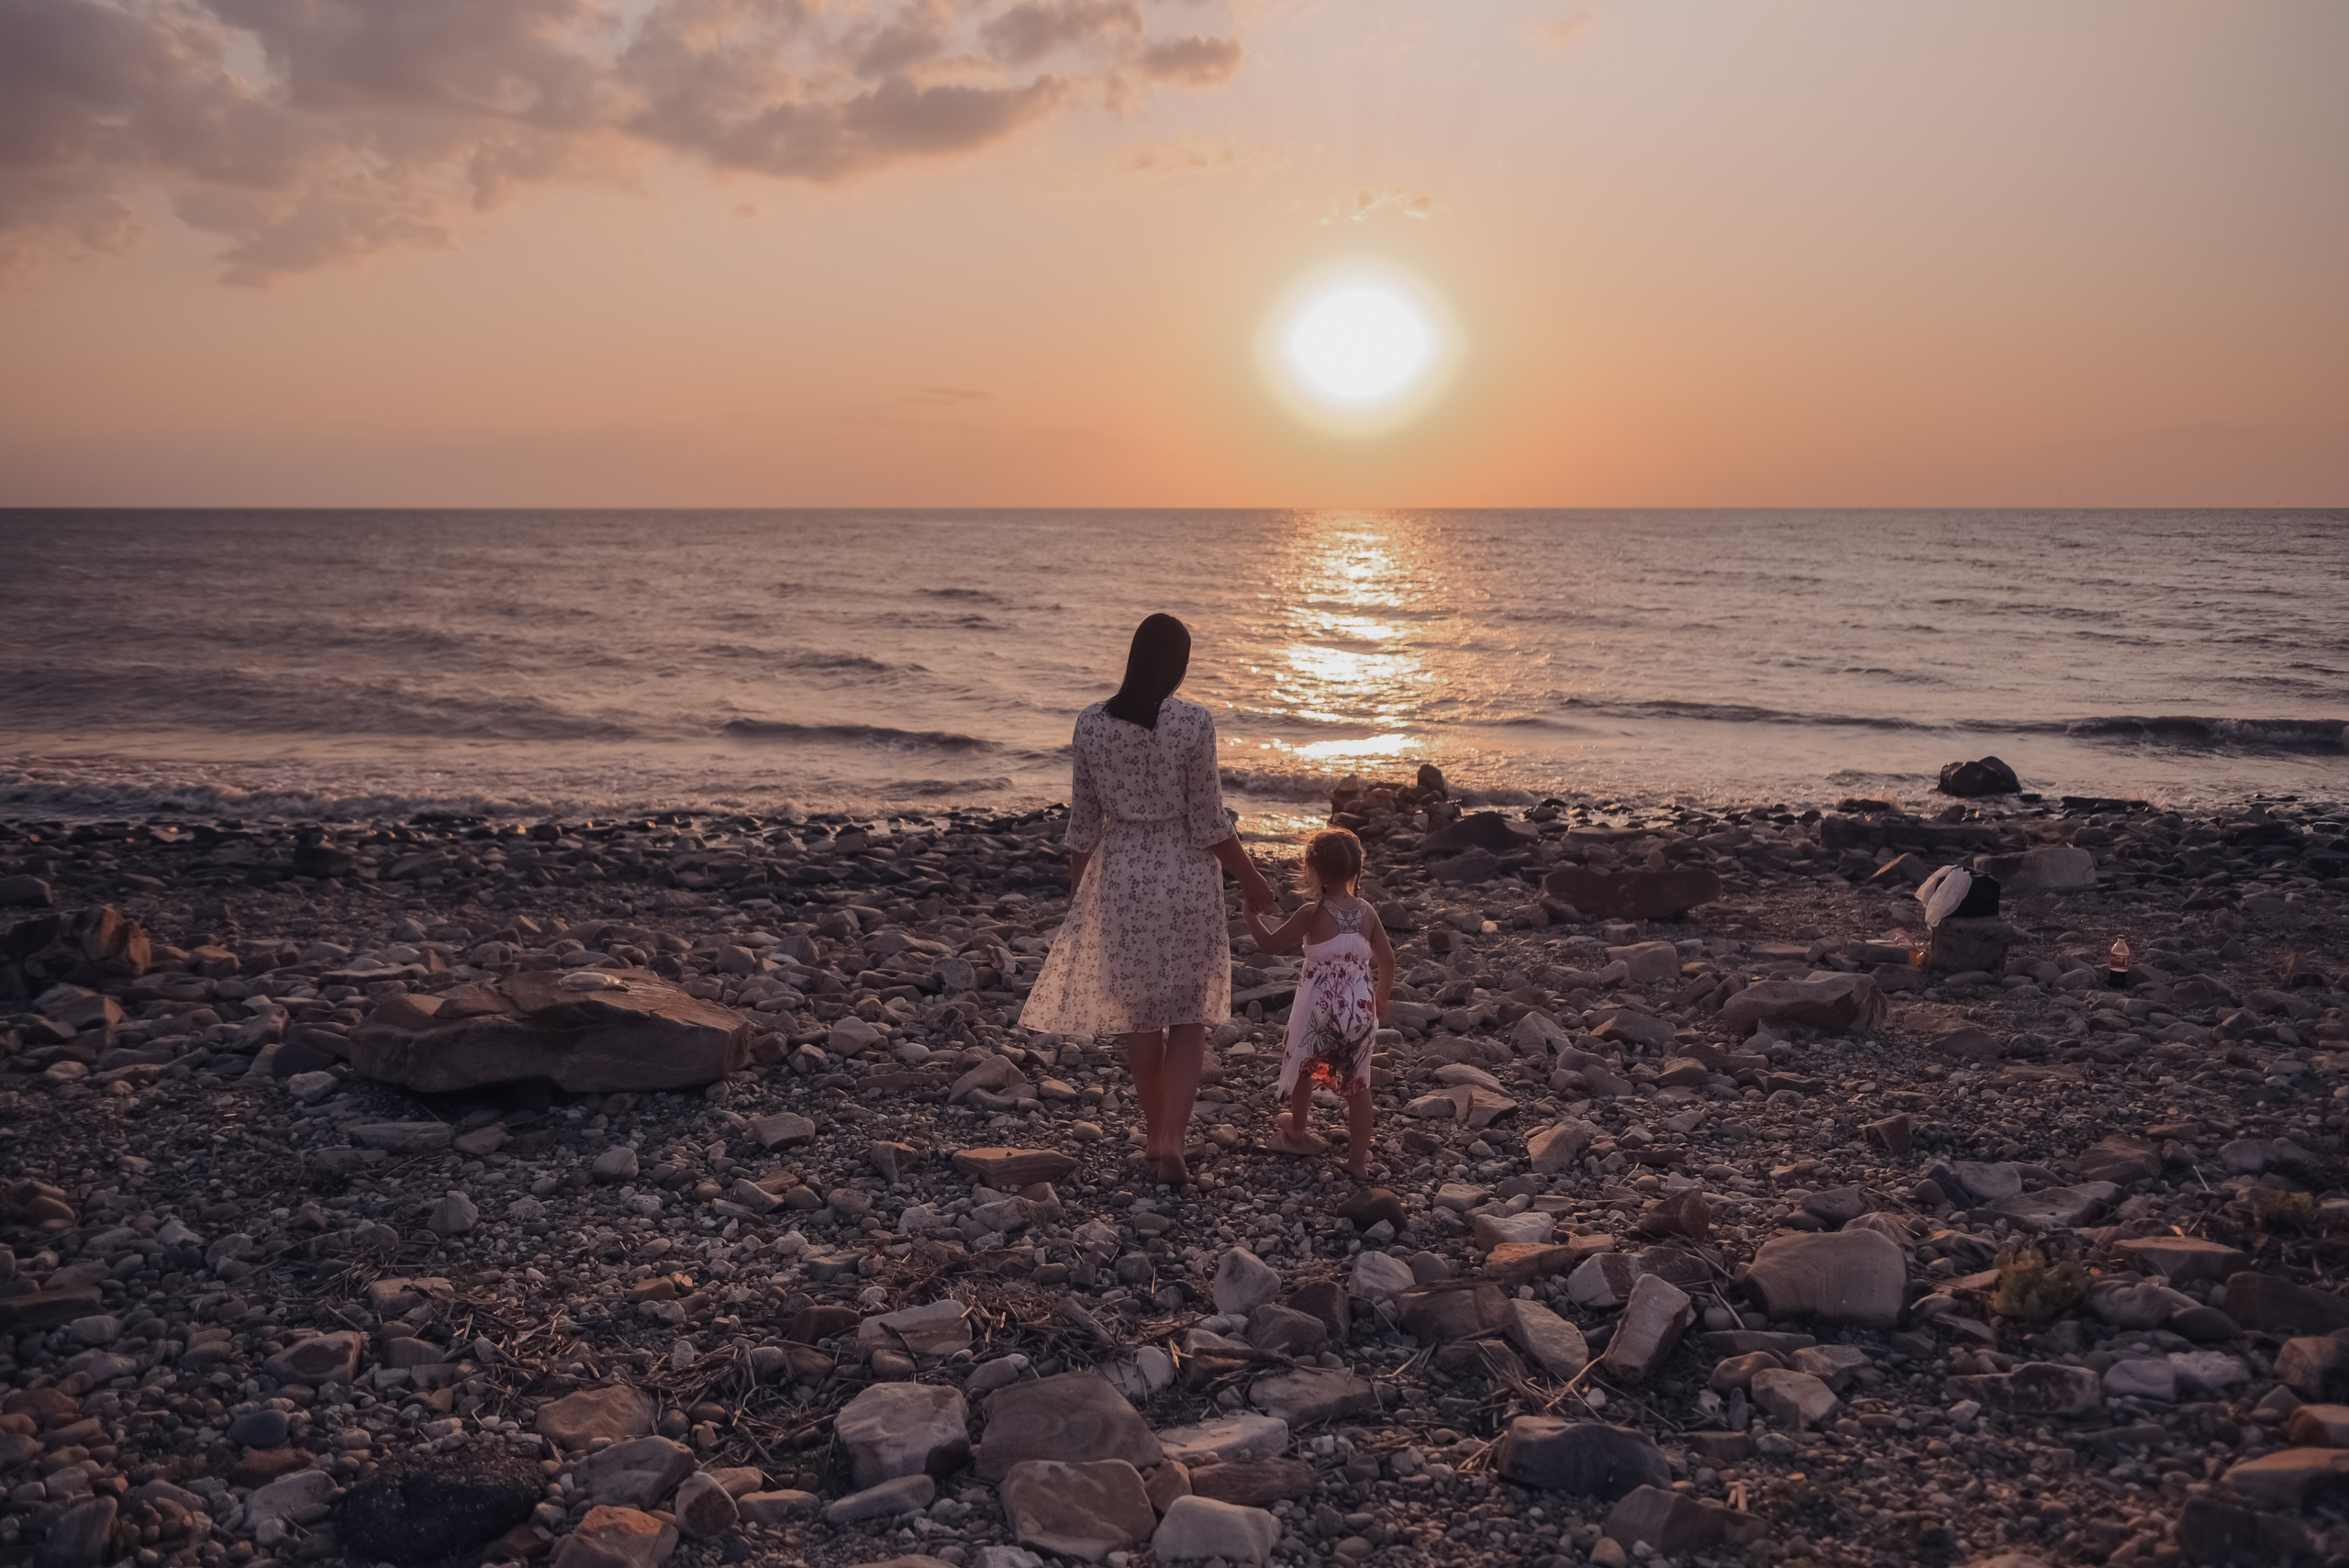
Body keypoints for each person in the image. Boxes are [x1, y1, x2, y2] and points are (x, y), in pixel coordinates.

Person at [1020, 613, 1275, 1187]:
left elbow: (1082, 825)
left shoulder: (1090, 724)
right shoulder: (1192, 723)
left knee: (1139, 1015)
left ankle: (1153, 1134)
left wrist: (1081, 897)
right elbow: (1209, 823)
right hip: (1184, 872)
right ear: (1178, 665)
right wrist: (1253, 880)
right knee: (1187, 1017)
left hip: (1121, 874)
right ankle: (1171, 1143)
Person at [1243, 828, 1393, 1181]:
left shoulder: (1312, 914)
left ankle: (1297, 1129)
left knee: (1303, 1063)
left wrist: (1250, 916)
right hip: (1359, 1010)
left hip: (1318, 1008)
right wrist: (1381, 998)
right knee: (1358, 1085)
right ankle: (1357, 1162)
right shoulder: (1368, 913)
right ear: (1356, 870)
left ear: (1313, 870)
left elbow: (1269, 944)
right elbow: (1387, 960)